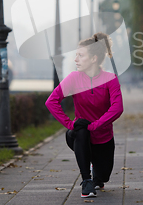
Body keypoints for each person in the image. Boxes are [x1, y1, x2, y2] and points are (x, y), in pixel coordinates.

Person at [45, 32, 123, 198]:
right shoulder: (73, 78)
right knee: (81, 128)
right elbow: (51, 101)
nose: (76, 59)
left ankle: (96, 174)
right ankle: (86, 180)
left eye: (80, 55)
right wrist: (70, 124)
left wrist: (95, 125)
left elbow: (117, 108)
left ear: (94, 58)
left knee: (103, 177)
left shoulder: (110, 79)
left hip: (104, 139)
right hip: (80, 136)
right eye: (76, 55)